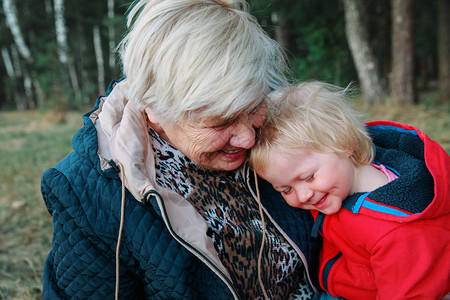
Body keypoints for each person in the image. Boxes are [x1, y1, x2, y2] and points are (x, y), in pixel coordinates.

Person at [40, 0, 324, 299]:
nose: (248, 139)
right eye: (220, 122)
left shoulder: (290, 121)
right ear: (153, 109)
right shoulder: (87, 194)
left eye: (255, 107)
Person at [249, 81, 450, 300]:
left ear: (345, 144)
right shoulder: (336, 185)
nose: (303, 195)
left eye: (308, 177)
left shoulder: (395, 232)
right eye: (285, 189)